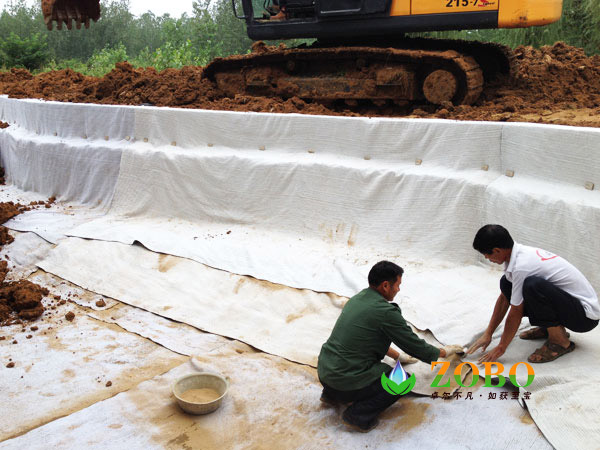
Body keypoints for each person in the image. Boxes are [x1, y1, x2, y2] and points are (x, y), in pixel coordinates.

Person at [317, 260, 463, 432]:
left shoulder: (357, 299)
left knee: (349, 365)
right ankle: (357, 415)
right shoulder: (385, 312)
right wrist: (446, 351)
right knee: (403, 381)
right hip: (345, 379)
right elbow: (417, 347)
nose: (398, 290)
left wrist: (397, 356)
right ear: (386, 285)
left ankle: (331, 395)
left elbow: (366, 338)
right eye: (397, 285)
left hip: (325, 371)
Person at [467, 224, 599, 364]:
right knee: (506, 283)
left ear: (497, 250)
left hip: (584, 317)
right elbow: (504, 299)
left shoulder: (522, 266)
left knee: (533, 286)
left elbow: (515, 311)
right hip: (569, 305)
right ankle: (550, 328)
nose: (487, 258)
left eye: (487, 255)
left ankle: (560, 341)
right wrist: (488, 333)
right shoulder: (516, 257)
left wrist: (501, 347)